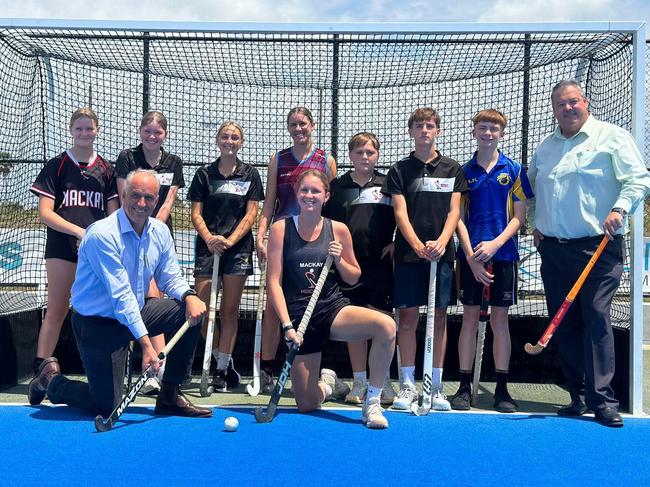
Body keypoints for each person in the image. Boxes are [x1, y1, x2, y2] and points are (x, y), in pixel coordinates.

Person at [37, 169, 211, 419]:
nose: (142, 204)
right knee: (107, 406)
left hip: (136, 312)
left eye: (149, 198)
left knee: (192, 312)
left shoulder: (159, 232)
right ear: (123, 194)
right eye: (135, 196)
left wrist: (188, 296)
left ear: (157, 199)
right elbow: (121, 296)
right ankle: (51, 381)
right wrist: (146, 345)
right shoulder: (102, 235)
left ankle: (170, 395)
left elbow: (169, 275)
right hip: (98, 324)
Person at [528, 79, 650, 427]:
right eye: (560, 105)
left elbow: (640, 179)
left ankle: (603, 400)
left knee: (596, 314)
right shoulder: (546, 146)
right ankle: (577, 395)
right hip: (554, 250)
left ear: (585, 102)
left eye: (572, 102)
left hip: (599, 247)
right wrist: (536, 223)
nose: (567, 109)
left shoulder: (612, 137)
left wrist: (621, 207)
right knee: (564, 321)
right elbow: (533, 189)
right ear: (554, 110)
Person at [267, 169, 396, 428]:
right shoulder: (281, 229)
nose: (310, 195)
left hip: (331, 310)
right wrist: (287, 326)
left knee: (386, 326)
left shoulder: (338, 230)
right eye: (305, 190)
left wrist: (339, 259)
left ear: (326, 196)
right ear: (296, 193)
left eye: (316, 191)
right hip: (298, 320)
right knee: (306, 404)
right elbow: (273, 282)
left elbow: (353, 277)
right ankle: (328, 384)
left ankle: (371, 402)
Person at [27, 107, 119, 406]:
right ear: (71, 130)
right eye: (79, 129)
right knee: (57, 309)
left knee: (97, 310)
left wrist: (96, 238)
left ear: (97, 130)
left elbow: (113, 215)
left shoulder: (106, 169)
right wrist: (80, 233)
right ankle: (39, 373)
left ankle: (101, 372)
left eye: (89, 129)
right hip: (62, 248)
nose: (84, 134)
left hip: (94, 252)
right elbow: (45, 213)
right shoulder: (57, 165)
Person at [383, 107, 468, 411]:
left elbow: (454, 212)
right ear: (411, 132)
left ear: (437, 131)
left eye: (429, 126)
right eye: (418, 126)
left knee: (440, 318)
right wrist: (418, 245)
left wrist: (442, 243)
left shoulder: (452, 169)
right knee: (407, 319)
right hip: (409, 255)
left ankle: (435, 387)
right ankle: (408, 386)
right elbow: (399, 212)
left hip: (442, 256)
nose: (424, 131)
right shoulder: (399, 170)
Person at [450, 109, 533, 413]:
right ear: (474, 132)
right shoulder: (463, 171)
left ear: (502, 133)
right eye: (482, 128)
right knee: (469, 320)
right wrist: (471, 255)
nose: (487, 133)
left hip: (505, 256)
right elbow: (456, 217)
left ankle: (502, 389)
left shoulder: (513, 169)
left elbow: (519, 218)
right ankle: (462, 388)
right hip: (470, 258)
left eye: (493, 129)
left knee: (500, 321)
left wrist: (497, 244)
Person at [255, 107, 338, 394]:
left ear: (312, 126)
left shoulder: (326, 160)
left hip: (313, 243)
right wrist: (261, 235)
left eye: (303, 124)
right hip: (283, 239)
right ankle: (266, 369)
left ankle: (313, 371)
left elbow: (330, 203)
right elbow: (269, 203)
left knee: (313, 305)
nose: (298, 128)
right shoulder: (278, 159)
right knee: (272, 307)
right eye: (293, 124)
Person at [187, 121, 264, 392]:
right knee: (203, 310)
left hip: (237, 249)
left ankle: (221, 368)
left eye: (234, 137)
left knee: (230, 310)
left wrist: (230, 241)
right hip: (208, 248)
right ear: (218, 141)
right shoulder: (204, 175)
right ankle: (219, 357)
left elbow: (252, 213)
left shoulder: (250, 174)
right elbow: (195, 213)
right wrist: (210, 239)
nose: (229, 141)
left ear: (241, 142)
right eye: (225, 136)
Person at [323, 132, 397, 406]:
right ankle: (359, 381)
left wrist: (397, 242)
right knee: (356, 324)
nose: (365, 157)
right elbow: (327, 224)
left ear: (377, 155)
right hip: (348, 266)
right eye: (359, 153)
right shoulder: (338, 186)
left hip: (380, 264)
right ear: (350, 156)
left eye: (370, 153)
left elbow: (404, 215)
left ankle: (384, 380)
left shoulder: (389, 184)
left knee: (383, 322)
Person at [115, 111, 185, 394]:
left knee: (160, 298)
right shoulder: (127, 158)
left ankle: (156, 366)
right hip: (131, 234)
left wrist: (153, 228)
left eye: (157, 132)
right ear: (141, 132)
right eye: (148, 131)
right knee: (147, 297)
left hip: (159, 235)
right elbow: (125, 196)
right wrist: (140, 226)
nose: (152, 136)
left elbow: (168, 201)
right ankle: (151, 363)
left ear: (164, 134)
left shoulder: (174, 163)